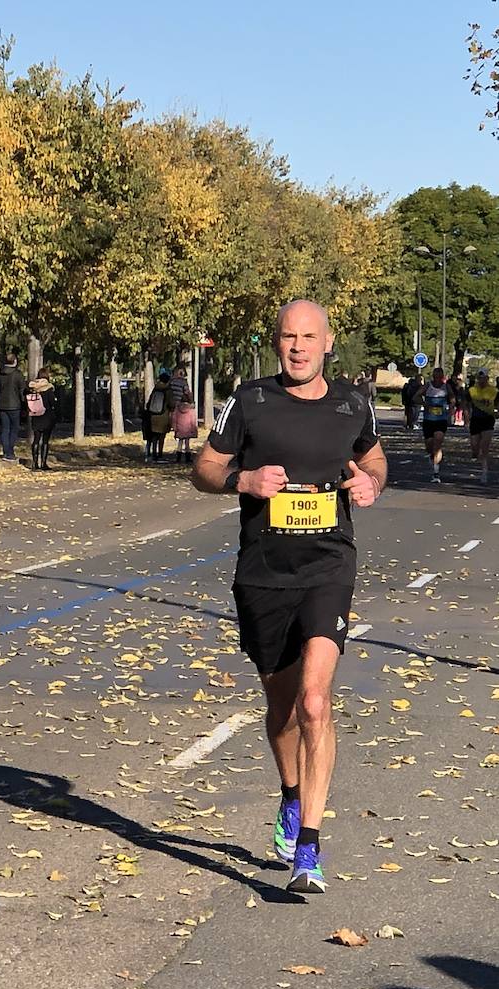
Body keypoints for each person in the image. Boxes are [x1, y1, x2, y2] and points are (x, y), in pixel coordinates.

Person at [192, 299, 385, 894]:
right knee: (280, 708)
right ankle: (291, 793)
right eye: (287, 337)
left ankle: (309, 847)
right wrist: (242, 481)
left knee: (315, 702)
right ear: (275, 343)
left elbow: (373, 457)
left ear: (329, 343)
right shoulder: (248, 401)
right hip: (263, 572)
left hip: (329, 565)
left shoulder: (353, 402)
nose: (298, 347)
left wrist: (369, 481)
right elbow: (204, 466)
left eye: (309, 337)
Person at [419, 367, 454, 483]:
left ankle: (436, 472)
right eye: (436, 377)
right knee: (429, 446)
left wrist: (450, 413)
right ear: (433, 377)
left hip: (441, 420)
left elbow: (453, 399)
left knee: (438, 442)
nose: (438, 379)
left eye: (440, 377)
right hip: (429, 420)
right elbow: (415, 396)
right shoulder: (428, 386)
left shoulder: (446, 387)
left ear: (443, 377)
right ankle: (432, 457)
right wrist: (425, 404)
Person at [0, 352, 27, 462]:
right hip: (15, 406)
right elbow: (22, 391)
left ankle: (5, 452)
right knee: (14, 430)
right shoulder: (18, 375)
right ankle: (10, 452)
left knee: (5, 429)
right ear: (15, 361)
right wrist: (24, 404)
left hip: (2, 406)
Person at [466, 369, 495, 484]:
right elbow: (466, 404)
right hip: (475, 421)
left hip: (488, 420)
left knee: (485, 446)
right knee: (475, 447)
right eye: (479, 378)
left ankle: (484, 471)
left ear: (487, 379)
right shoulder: (472, 390)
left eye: (484, 378)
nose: (481, 380)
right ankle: (475, 453)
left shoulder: (494, 391)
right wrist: (466, 417)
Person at [26, 372, 58, 471]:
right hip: (47, 416)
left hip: (35, 415)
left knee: (36, 439)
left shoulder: (32, 388)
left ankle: (34, 463)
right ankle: (43, 463)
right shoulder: (48, 388)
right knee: (45, 440)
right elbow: (52, 402)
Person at [143, 372, 173, 463]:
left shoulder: (155, 389)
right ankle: (160, 454)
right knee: (161, 437)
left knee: (153, 436)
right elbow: (171, 404)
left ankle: (152, 454)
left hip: (153, 416)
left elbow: (149, 403)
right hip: (163, 416)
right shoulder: (168, 391)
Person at [171, 393, 198, 464]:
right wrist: (194, 430)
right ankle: (187, 458)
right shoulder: (191, 410)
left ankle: (178, 458)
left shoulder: (177, 408)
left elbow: (174, 418)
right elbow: (193, 421)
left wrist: (175, 428)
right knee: (187, 444)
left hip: (180, 428)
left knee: (179, 443)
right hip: (188, 429)